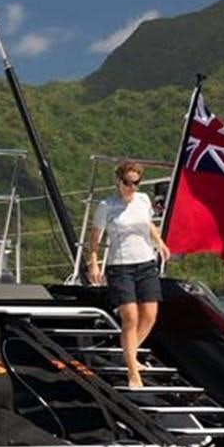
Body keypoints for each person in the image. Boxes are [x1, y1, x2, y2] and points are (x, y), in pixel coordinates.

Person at [85, 161, 170, 390]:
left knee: (150, 315)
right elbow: (95, 238)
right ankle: (133, 372)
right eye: (127, 182)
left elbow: (148, 224)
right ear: (118, 181)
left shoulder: (143, 200)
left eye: (135, 183)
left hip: (145, 263)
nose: (131, 187)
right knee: (130, 318)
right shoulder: (107, 206)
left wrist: (159, 241)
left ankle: (129, 354)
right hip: (120, 266)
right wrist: (93, 263)